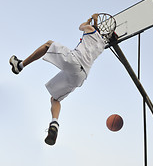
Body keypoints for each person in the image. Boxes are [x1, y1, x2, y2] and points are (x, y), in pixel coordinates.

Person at [9, 13, 105, 146]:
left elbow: (81, 27)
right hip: (81, 76)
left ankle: (19, 65)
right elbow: (96, 33)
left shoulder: (90, 30)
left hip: (74, 60)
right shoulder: (102, 45)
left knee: (49, 44)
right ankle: (54, 123)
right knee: (55, 99)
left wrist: (91, 20)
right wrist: (95, 24)